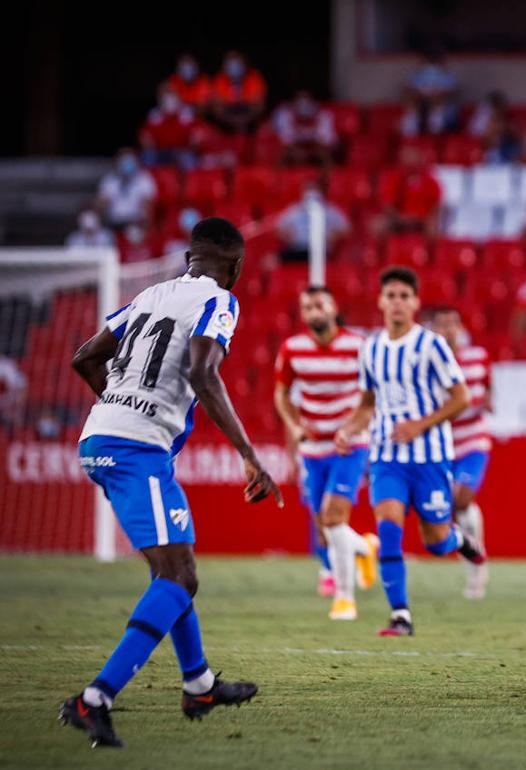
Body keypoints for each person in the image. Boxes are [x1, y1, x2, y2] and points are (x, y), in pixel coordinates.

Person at [61, 217, 281, 747]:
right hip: (133, 448)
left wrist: (118, 408)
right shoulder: (219, 302)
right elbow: (205, 374)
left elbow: (85, 356)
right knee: (179, 576)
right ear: (236, 266)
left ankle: (199, 683)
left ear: (189, 257)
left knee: (171, 569)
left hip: (99, 441)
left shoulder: (149, 294)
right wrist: (250, 456)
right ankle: (94, 700)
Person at [333, 267, 485, 637]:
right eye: (391, 295)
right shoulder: (370, 348)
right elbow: (368, 403)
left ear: (415, 303)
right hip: (387, 458)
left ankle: (459, 540)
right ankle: (401, 615)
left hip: (430, 458)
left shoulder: (431, 345)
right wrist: (349, 429)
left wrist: (420, 425)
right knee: (388, 529)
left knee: (435, 542)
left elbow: (461, 398)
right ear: (380, 301)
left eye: (405, 295)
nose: (398, 302)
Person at [273, 287, 379, 620]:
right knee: (322, 527)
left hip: (349, 444)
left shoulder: (358, 347)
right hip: (312, 447)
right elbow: (281, 394)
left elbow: (371, 398)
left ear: (334, 308)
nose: (313, 310)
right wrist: (294, 426)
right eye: (306, 307)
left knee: (334, 518)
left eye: (319, 304)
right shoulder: (293, 349)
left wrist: (352, 427)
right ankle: (365, 548)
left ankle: (345, 599)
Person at [425, 306, 492, 600]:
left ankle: (477, 565)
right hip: (440, 445)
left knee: (462, 498)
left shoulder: (477, 358)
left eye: (453, 323)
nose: (448, 329)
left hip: (472, 442)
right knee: (443, 509)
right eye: (442, 323)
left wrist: (484, 402)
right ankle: (472, 558)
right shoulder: (425, 364)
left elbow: (486, 389)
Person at [277, 182, 349, 263]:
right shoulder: (294, 211)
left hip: (321, 251)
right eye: (309, 189)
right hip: (297, 249)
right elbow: (279, 229)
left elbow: (345, 229)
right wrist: (288, 237)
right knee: (272, 261)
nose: (311, 193)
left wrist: (333, 236)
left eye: (314, 189)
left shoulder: (331, 211)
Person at [139, 85, 201, 168]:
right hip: (160, 152)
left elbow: (196, 136)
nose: (169, 100)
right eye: (165, 97)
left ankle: (188, 181)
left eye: (171, 96)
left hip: (182, 152)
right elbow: (145, 136)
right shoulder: (155, 115)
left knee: (189, 159)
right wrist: (150, 146)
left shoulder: (186, 114)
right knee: (147, 157)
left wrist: (189, 148)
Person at [272, 91, 338, 166]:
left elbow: (328, 141)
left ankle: (328, 176)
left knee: (323, 153)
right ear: (293, 101)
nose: (303, 104)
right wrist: (297, 149)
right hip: (294, 150)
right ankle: (278, 176)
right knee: (287, 153)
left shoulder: (324, 115)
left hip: (316, 151)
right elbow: (285, 140)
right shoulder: (284, 115)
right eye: (299, 99)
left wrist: (311, 149)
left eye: (306, 99)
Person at [96, 149, 157, 230]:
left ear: (136, 162)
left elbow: (147, 204)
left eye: (129, 161)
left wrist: (144, 225)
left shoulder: (144, 178)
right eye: (124, 161)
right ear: (117, 162)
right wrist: (100, 205)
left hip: (134, 224)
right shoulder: (110, 179)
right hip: (113, 224)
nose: (127, 164)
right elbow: (101, 203)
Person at [210, 51, 267, 135]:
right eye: (230, 61)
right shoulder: (219, 79)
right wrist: (233, 122)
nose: (234, 65)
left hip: (250, 123)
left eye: (236, 61)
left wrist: (243, 120)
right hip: (227, 124)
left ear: (244, 63)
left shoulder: (254, 77)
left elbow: (259, 106)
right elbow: (217, 109)